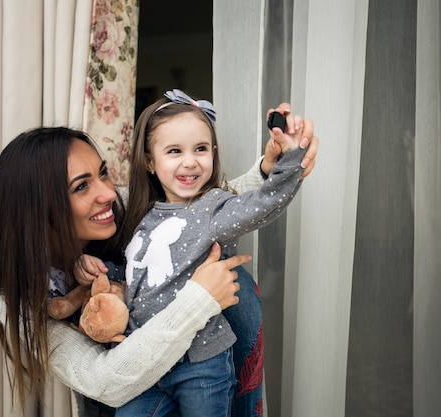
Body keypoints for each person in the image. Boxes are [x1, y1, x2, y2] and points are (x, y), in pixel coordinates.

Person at [0, 116, 317, 415]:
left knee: (237, 284)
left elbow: (202, 214)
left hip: (200, 368)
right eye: (81, 186)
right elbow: (105, 381)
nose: (107, 192)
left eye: (102, 173)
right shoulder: (18, 303)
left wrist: (269, 170)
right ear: (37, 211)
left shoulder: (124, 205)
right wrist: (198, 298)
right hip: (125, 395)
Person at [113, 89, 309, 417]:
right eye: (174, 151)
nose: (190, 161)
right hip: (148, 364)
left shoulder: (214, 209)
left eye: (200, 149)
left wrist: (289, 160)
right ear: (149, 161)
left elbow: (262, 203)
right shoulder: (141, 216)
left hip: (200, 368)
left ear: (213, 153)